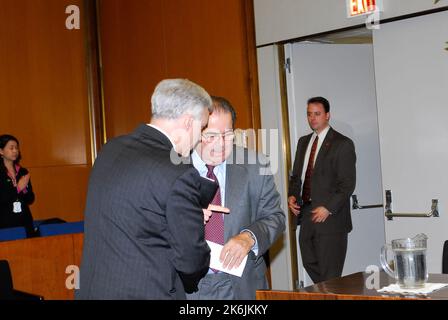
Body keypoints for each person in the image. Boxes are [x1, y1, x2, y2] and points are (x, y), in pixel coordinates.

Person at [76, 79, 213, 299]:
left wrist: (182, 214)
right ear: (188, 122)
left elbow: (136, 216)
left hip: (95, 290)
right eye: (203, 127)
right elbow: (191, 261)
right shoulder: (177, 170)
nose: (201, 137)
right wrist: (192, 222)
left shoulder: (110, 149)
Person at [187, 96, 285, 300]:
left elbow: (275, 217)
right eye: (211, 135)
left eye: (228, 135)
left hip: (242, 286)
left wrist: (249, 237)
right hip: (187, 288)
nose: (221, 144)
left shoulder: (254, 165)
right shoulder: (169, 168)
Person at [288, 96, 356, 283]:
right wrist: (292, 196)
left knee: (330, 274)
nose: (312, 118)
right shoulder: (303, 142)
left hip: (330, 218)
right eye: (309, 114)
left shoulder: (342, 144)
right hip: (307, 213)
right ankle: (327, 293)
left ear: (327, 115)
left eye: (317, 114)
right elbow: (296, 176)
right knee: (308, 262)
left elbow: (347, 184)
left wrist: (328, 208)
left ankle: (331, 293)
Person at [0, 134, 36, 237]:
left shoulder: (23, 171)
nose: (15, 151)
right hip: (4, 222)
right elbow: (2, 198)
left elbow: (31, 199)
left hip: (24, 220)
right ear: (1, 151)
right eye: (11, 148)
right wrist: (18, 188)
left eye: (16, 148)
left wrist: (24, 189)